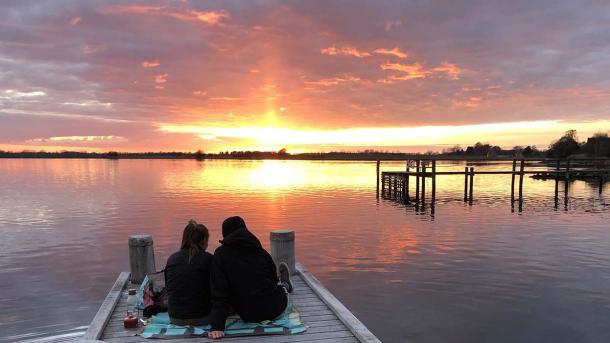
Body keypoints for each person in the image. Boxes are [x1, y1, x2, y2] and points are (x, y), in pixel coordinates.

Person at [208, 216, 292, 339]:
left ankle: (285, 285)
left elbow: (219, 292)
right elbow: (273, 279)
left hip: (248, 314)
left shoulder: (220, 254)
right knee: (279, 287)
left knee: (277, 287)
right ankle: (286, 284)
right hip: (276, 308)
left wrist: (217, 326)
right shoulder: (260, 251)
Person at [164, 219, 214, 326]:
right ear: (204, 240)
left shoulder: (172, 259)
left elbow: (168, 288)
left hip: (175, 317)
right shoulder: (209, 259)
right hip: (203, 317)